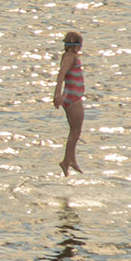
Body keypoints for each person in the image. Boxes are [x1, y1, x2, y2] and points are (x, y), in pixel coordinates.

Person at [52, 31, 85, 176]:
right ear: (77, 46)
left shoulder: (69, 57)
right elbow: (61, 74)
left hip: (74, 96)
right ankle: (68, 161)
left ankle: (70, 159)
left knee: (75, 130)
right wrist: (57, 94)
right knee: (75, 131)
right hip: (72, 97)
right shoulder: (70, 57)